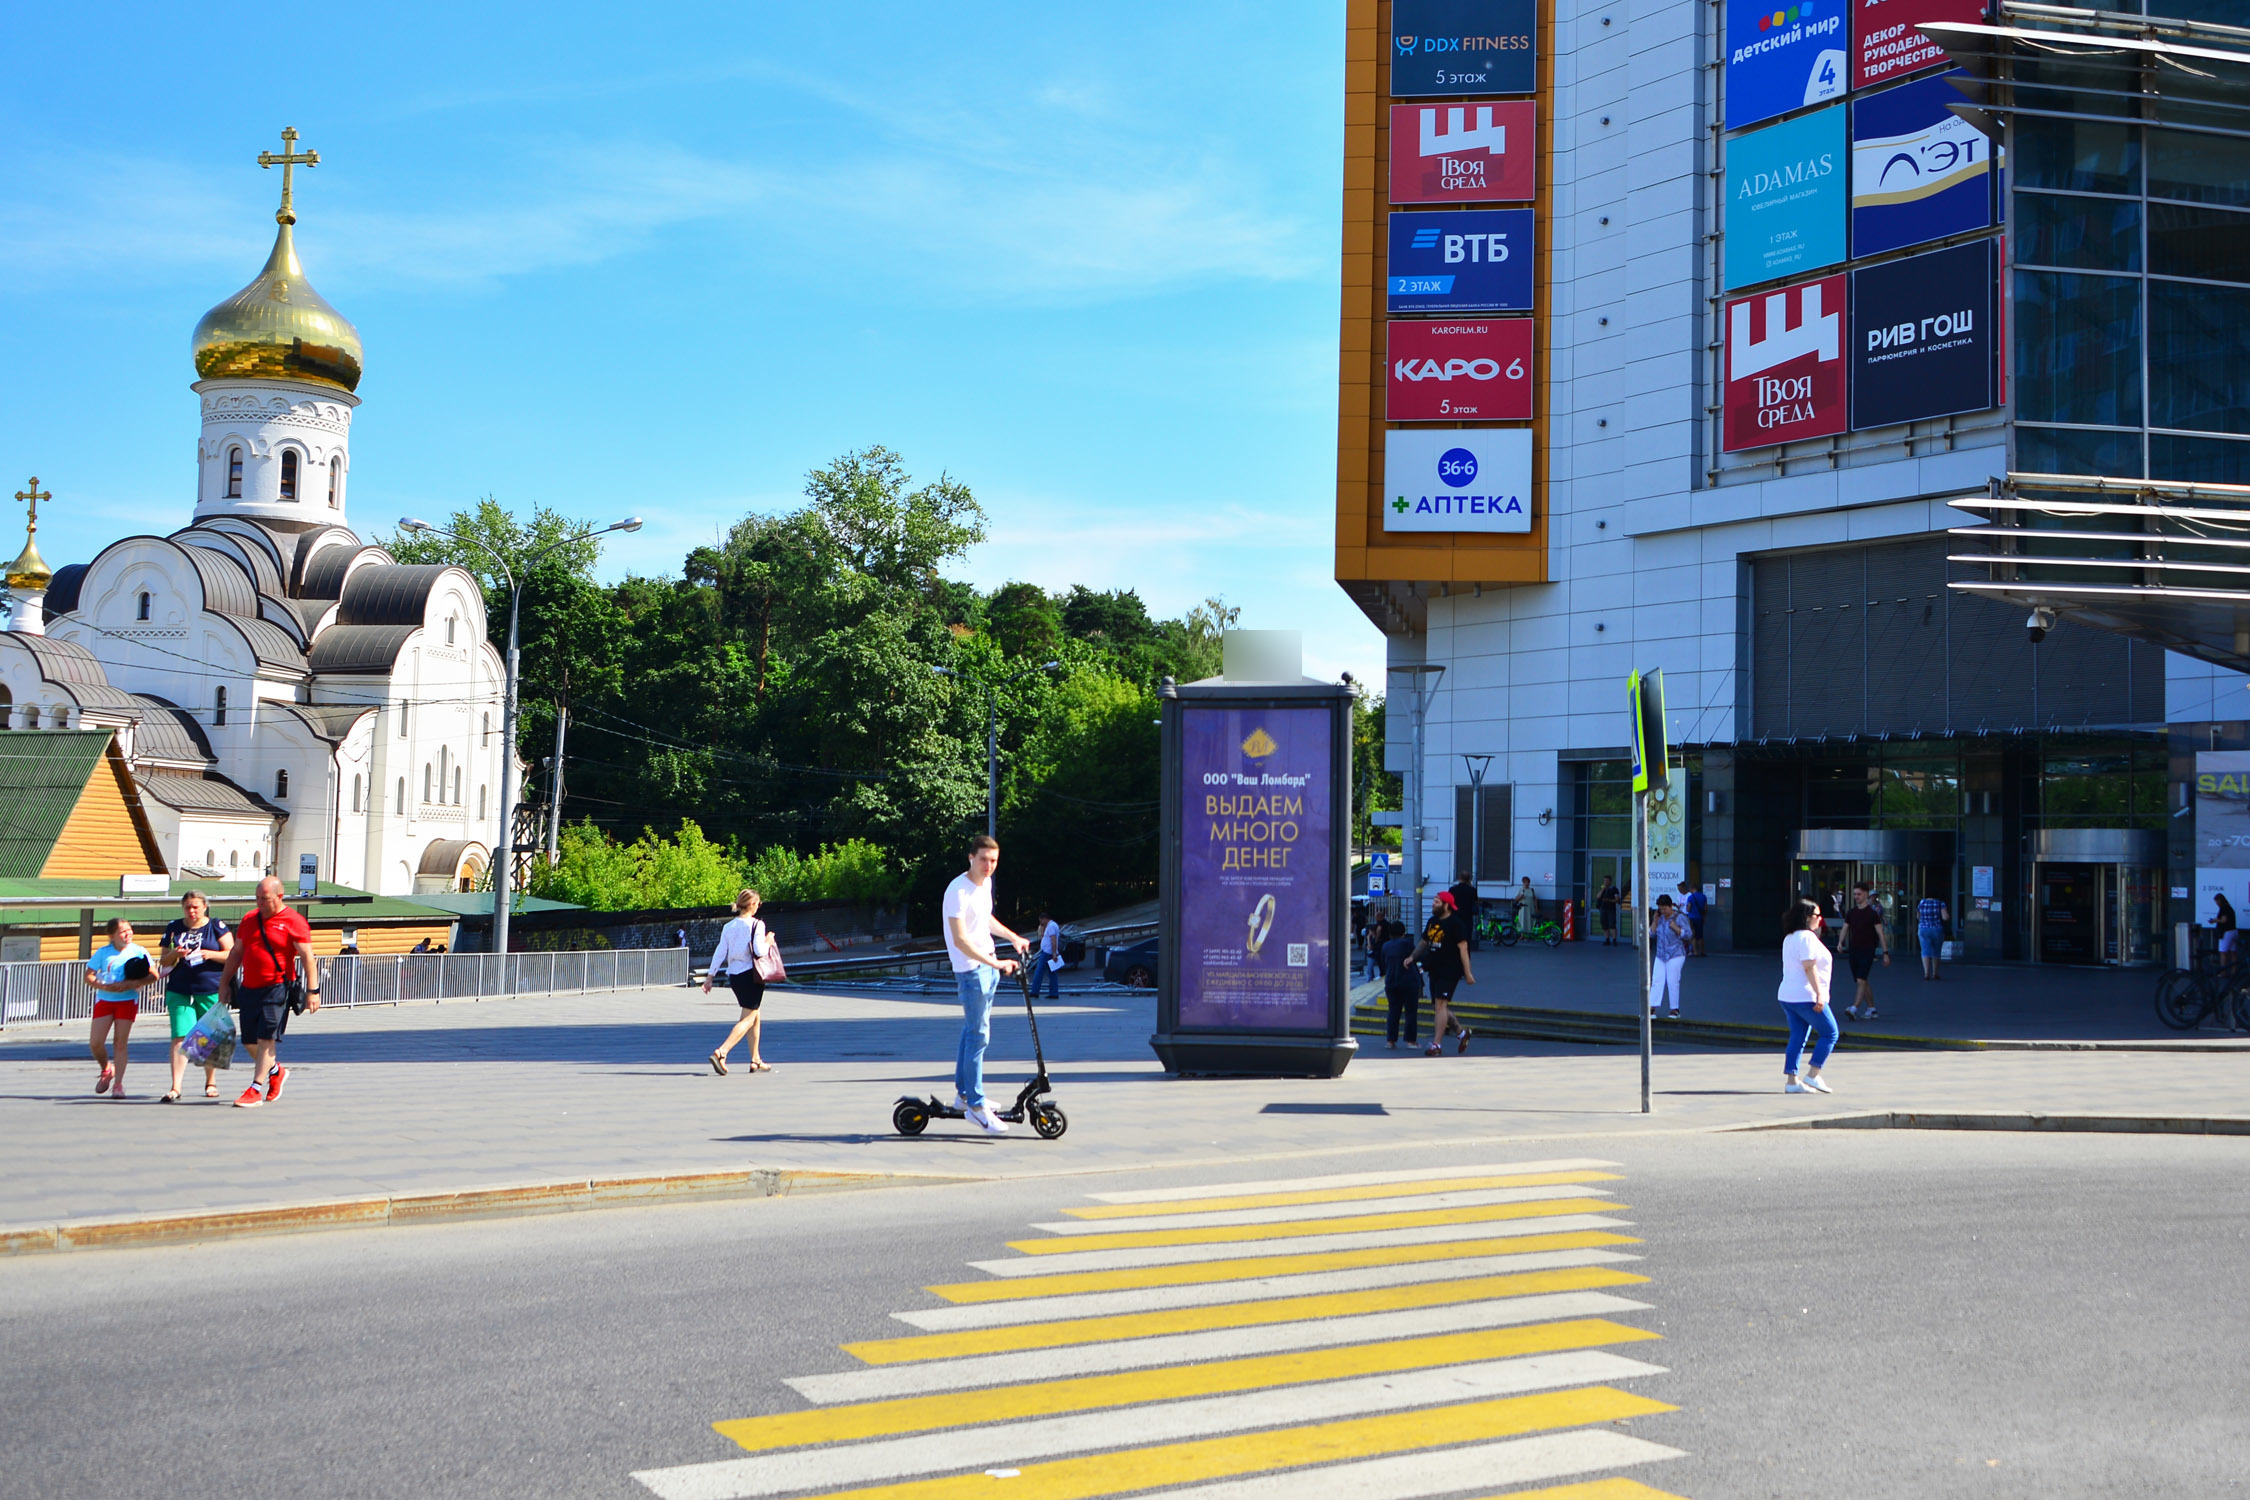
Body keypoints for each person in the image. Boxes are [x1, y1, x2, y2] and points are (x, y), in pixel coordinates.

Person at [943, 835, 1030, 1135]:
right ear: (970, 858)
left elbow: (985, 920)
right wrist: (995, 964)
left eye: (993, 861)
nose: (989, 866)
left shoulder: (984, 886)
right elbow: (960, 940)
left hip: (988, 966)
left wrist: (1013, 937)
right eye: (983, 859)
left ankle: (964, 1095)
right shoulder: (957, 891)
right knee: (979, 1036)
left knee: (971, 1031)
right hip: (972, 971)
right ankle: (976, 1108)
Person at [216, 877, 321, 1108]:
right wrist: (224, 983)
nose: (260, 903)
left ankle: (255, 1089)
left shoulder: (294, 921)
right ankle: (276, 1071)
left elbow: (307, 957)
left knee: (266, 1038)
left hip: (277, 988)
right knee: (249, 1041)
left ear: (279, 897)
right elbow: (236, 952)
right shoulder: (250, 919)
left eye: (265, 899)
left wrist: (313, 991)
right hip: (249, 988)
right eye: (257, 899)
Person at [160, 890, 232, 1102]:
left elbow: (232, 953)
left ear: (204, 907)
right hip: (180, 988)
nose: (191, 911)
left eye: (195, 907)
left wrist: (210, 954)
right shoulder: (174, 927)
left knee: (208, 1035)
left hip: (210, 987)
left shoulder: (216, 926)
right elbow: (164, 960)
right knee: (179, 1037)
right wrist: (175, 954)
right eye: (187, 907)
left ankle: (210, 1081)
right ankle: (176, 1087)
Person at [705, 889, 773, 1075]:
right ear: (752, 904)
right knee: (748, 1018)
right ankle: (722, 1051)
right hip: (752, 975)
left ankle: (755, 1059)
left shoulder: (729, 926)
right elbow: (759, 951)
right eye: (758, 903)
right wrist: (769, 941)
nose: (758, 907)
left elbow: (721, 951)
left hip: (735, 976)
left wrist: (710, 976)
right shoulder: (757, 925)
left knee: (755, 1014)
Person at [85, 916, 152, 1101]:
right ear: (112, 935)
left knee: (120, 1043)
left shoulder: (139, 951)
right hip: (105, 1000)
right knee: (95, 1042)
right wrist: (104, 986)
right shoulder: (103, 952)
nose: (127, 934)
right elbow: (89, 976)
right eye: (122, 931)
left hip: (127, 1000)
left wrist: (133, 983)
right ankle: (107, 1068)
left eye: (129, 929)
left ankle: (118, 1085)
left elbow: (153, 975)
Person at [1779, 898, 1837, 1094]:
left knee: (1798, 1036)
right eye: (1816, 915)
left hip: (1788, 995)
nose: (1820, 919)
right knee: (1830, 1033)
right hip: (1806, 995)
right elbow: (1809, 967)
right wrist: (1819, 994)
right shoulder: (1807, 937)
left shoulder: (1790, 937)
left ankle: (1792, 1081)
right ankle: (1813, 1074)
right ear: (1806, 917)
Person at [1411, 891, 1475, 1055]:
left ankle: (1436, 1045)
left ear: (1446, 905)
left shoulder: (1456, 924)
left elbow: (1463, 949)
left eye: (1437, 902)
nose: (1433, 904)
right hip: (1434, 969)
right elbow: (1424, 941)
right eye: (1433, 901)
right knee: (1438, 1007)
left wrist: (1467, 973)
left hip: (1450, 969)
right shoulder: (1432, 921)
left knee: (1440, 1006)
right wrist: (1411, 957)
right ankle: (1461, 1033)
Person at [1837, 882, 1890, 1021]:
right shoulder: (1852, 913)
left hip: (1868, 950)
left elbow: (1880, 933)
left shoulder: (1872, 914)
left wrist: (1885, 953)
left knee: (1861, 979)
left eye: (1859, 894)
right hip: (1854, 950)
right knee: (1862, 980)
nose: (1856, 897)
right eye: (1855, 894)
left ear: (1866, 894)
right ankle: (1872, 1008)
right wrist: (1840, 942)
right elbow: (1845, 928)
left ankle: (1854, 1007)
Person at [1380, 919, 1422, 1049]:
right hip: (1408, 981)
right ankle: (1411, 1041)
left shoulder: (1385, 946)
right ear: (1403, 932)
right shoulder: (1407, 944)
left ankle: (1391, 1041)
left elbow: (1382, 963)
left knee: (1393, 1011)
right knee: (1410, 1012)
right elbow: (1417, 957)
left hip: (1391, 982)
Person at [1649, 894, 1691, 1018]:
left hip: (1676, 953)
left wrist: (1676, 928)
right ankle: (1652, 1006)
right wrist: (1655, 921)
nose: (1663, 911)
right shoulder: (1660, 918)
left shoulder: (1679, 917)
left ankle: (1674, 1009)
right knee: (1657, 980)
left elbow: (1688, 934)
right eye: (1660, 909)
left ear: (1670, 906)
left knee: (1673, 981)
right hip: (1661, 954)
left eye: (1665, 909)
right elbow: (1651, 934)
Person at [1032, 907, 1064, 1002]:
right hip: (1049, 952)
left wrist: (1054, 953)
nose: (1041, 923)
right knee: (1052, 973)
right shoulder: (1050, 926)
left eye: (1041, 921)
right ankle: (1053, 993)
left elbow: (1053, 941)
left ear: (1044, 918)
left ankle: (1034, 992)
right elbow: (1043, 936)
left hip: (1048, 952)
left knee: (1039, 972)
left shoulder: (1051, 926)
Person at [1916, 890, 1950, 981]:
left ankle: (1926, 973)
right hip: (1936, 929)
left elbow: (1918, 917)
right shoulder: (1940, 903)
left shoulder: (1921, 903)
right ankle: (1935, 973)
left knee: (1925, 950)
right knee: (1936, 951)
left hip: (1923, 929)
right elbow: (1945, 917)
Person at [1449, 872, 1480, 949]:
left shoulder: (1452, 889)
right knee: (1466, 938)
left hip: (1455, 916)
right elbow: (1475, 900)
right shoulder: (1472, 890)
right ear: (1468, 879)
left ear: (1459, 878)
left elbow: (1449, 903)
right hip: (1467, 917)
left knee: (1454, 937)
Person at [1681, 882, 1708, 957]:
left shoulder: (1691, 897)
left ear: (1692, 888)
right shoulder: (1703, 896)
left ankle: (1695, 952)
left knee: (1693, 935)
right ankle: (1702, 951)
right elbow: (1705, 908)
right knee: (1700, 935)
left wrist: (1687, 908)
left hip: (1692, 917)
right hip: (1700, 918)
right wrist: (1704, 917)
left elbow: (1688, 909)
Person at [1596, 877, 1621, 946]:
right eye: (1604, 881)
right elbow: (1598, 897)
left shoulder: (1614, 889)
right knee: (1604, 924)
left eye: (1607, 881)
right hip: (1603, 908)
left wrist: (1609, 900)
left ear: (1610, 881)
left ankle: (1614, 940)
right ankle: (1607, 939)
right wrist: (1603, 889)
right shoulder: (1603, 889)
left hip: (1611, 909)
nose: (1605, 882)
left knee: (1612, 924)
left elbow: (1617, 899)